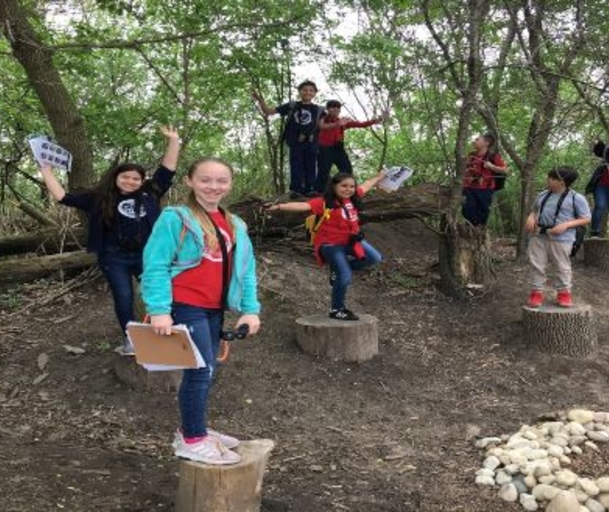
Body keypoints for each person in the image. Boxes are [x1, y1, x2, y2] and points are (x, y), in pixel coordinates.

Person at [141, 157, 261, 465]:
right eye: (205, 180)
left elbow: (246, 270)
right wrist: (158, 310)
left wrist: (250, 310)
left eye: (221, 181)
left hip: (213, 308)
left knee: (208, 370)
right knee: (200, 372)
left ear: (230, 184)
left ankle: (192, 429)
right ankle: (192, 440)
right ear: (190, 182)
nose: (214, 186)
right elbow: (155, 264)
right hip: (185, 304)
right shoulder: (175, 218)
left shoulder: (235, 224)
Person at [39, 126, 181, 355]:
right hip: (113, 257)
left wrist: (173, 140)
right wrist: (46, 170)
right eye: (125, 176)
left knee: (159, 292)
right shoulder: (99, 197)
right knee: (123, 296)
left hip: (148, 255)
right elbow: (62, 197)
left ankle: (172, 333)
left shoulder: (150, 193)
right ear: (116, 178)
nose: (130, 181)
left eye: (136, 178)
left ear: (142, 181)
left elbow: (168, 169)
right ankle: (131, 340)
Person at [269, 171, 386, 320]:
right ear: (334, 186)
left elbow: (367, 185)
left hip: (351, 241)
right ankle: (336, 310)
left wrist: (378, 177)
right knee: (345, 277)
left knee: (374, 258)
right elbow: (303, 205)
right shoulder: (324, 202)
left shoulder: (353, 198)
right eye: (344, 186)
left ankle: (336, 269)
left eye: (351, 186)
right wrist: (279, 207)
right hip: (330, 244)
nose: (348, 189)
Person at [525, 167, 591, 308]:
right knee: (536, 264)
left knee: (562, 266)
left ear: (562, 182)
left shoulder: (576, 198)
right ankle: (536, 292)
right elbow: (535, 210)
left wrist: (566, 225)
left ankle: (564, 293)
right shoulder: (542, 195)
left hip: (562, 238)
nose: (548, 180)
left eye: (552, 178)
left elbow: (586, 218)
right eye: (549, 177)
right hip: (538, 235)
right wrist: (530, 218)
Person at [252, 80, 325, 198]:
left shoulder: (319, 110)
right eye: (305, 90)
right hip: (295, 141)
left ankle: (310, 189)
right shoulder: (292, 106)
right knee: (296, 165)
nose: (308, 92)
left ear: (315, 93)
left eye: (311, 90)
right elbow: (269, 111)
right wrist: (260, 100)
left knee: (311, 165)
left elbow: (323, 126)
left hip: (312, 141)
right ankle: (296, 190)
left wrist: (339, 124)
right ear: (300, 92)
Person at [316, 100, 385, 191]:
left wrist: (376, 120)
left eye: (338, 108)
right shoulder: (323, 119)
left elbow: (361, 124)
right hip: (324, 149)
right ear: (328, 109)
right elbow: (322, 126)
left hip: (339, 148)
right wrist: (337, 124)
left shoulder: (343, 121)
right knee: (323, 171)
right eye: (332, 107)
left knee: (347, 170)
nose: (335, 109)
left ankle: (347, 190)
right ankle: (320, 192)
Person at [461, 133, 509, 226]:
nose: (474, 141)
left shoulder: (493, 156)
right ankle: (469, 230)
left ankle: (479, 233)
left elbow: (505, 171)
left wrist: (491, 166)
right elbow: (463, 169)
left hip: (485, 189)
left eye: (477, 140)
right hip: (468, 188)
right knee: (467, 211)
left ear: (486, 143)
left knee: (482, 213)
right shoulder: (471, 155)